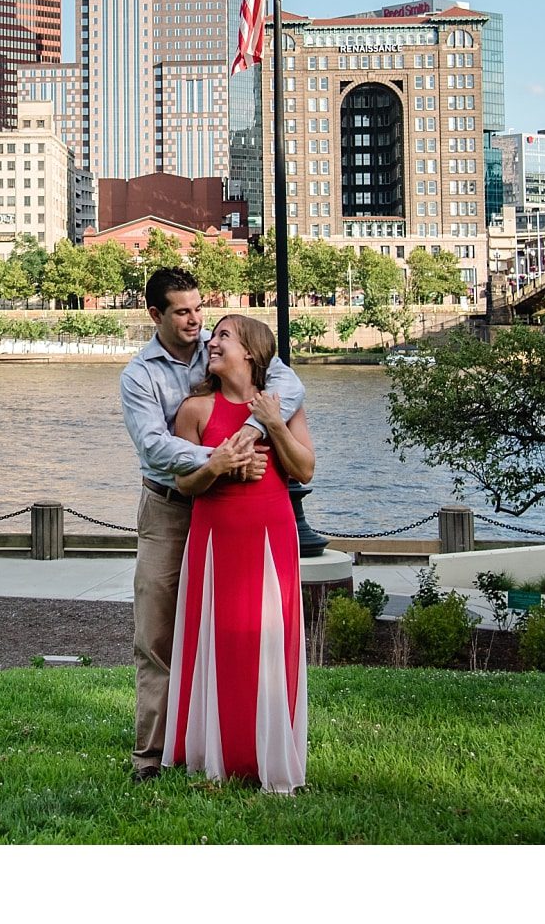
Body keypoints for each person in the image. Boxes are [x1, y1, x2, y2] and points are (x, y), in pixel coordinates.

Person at [121, 267, 305, 782]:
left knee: (225, 632)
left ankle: (222, 745)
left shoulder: (219, 345)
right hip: (168, 507)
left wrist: (248, 431)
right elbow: (155, 447)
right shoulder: (139, 376)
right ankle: (150, 758)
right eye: (182, 311)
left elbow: (288, 381)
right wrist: (217, 459)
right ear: (154, 315)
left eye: (199, 309)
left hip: (226, 513)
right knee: (157, 635)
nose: (195, 320)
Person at [161, 313, 313, 793]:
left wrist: (273, 425)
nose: (212, 341)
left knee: (266, 638)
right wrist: (220, 465)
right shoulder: (196, 410)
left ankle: (265, 752)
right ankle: (212, 753)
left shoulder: (280, 404)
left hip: (271, 534)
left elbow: (304, 469)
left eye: (224, 335)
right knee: (216, 639)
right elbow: (183, 484)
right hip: (215, 536)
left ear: (250, 350)